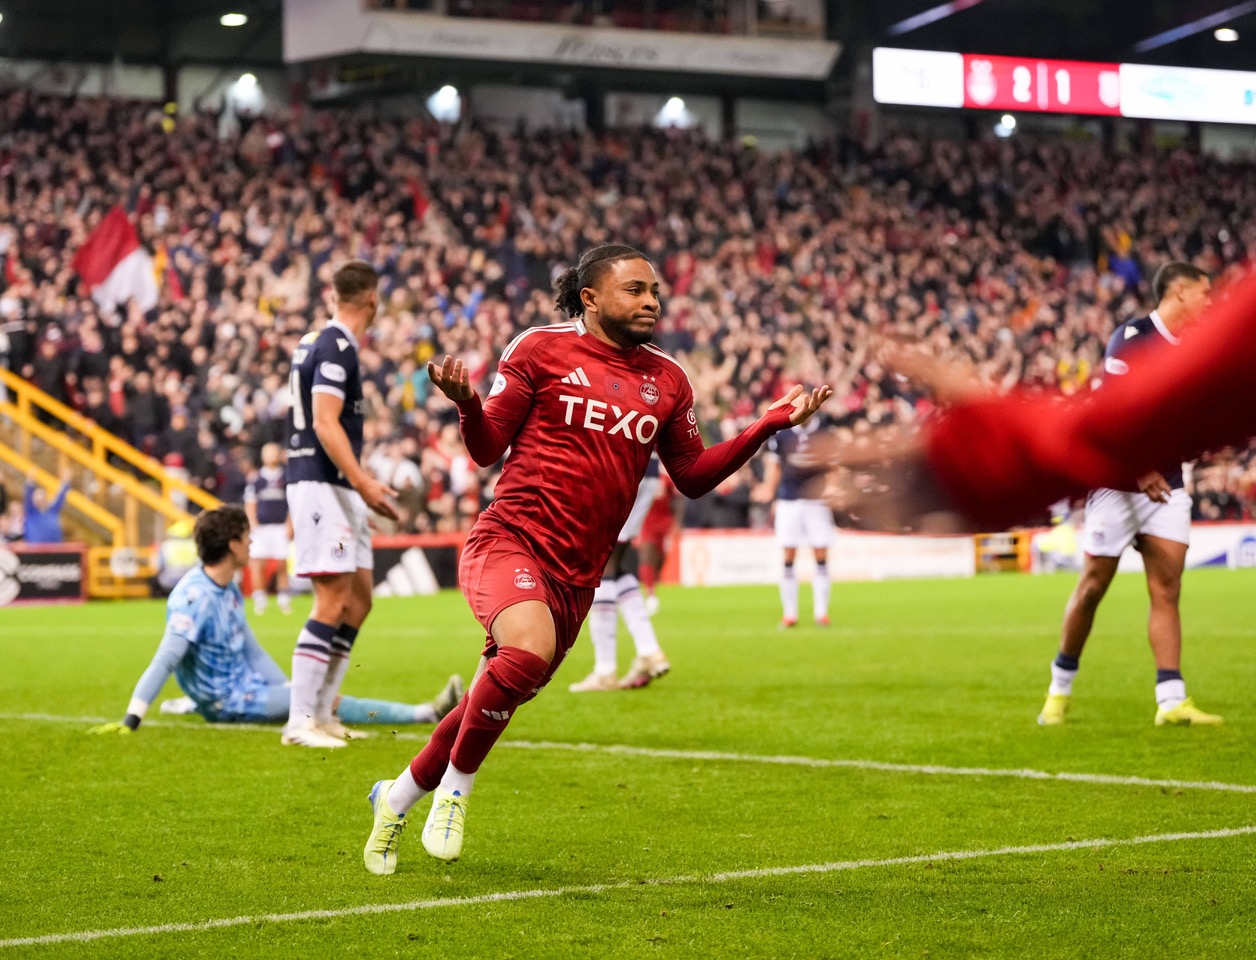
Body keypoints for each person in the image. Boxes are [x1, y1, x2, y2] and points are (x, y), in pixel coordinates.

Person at [361, 243, 831, 873]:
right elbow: (485, 447)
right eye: (635, 290)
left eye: (655, 291)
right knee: (524, 653)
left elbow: (691, 476)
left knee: (491, 696)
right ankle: (456, 790)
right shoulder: (538, 349)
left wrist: (767, 424)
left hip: (578, 574)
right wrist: (468, 404)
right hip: (512, 540)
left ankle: (393, 799)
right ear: (591, 297)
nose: (651, 302)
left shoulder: (668, 379)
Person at [87, 506, 462, 736]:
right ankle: (427, 713)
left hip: (243, 686)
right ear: (233, 544)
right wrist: (132, 717)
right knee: (324, 699)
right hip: (228, 701)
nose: (253, 544)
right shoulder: (193, 597)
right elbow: (166, 658)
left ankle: (425, 711)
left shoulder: (227, 586)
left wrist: (287, 686)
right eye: (247, 537)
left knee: (309, 693)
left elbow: (249, 646)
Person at [1039, 263, 1222, 727]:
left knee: (1167, 589)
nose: (1209, 302)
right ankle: (1059, 690)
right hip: (1119, 485)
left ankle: (1171, 700)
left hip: (1169, 485)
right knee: (1093, 587)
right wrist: (1140, 470)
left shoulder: (1198, 348)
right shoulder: (1132, 338)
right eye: (1204, 293)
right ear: (1179, 292)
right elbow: (1113, 414)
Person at [283, 260, 399, 749]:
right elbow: (325, 423)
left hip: (337, 485)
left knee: (359, 600)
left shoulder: (318, 341)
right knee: (332, 600)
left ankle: (324, 712)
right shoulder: (336, 347)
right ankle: (299, 721)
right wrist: (365, 482)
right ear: (372, 299)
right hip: (322, 482)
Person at [568, 458, 671, 692]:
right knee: (618, 560)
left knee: (602, 561)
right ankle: (649, 651)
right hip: (648, 471)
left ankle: (605, 670)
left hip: (617, 466)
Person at [760, 414, 836, 627]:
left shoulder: (824, 433)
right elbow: (774, 467)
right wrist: (769, 489)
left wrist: (832, 488)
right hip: (789, 501)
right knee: (788, 556)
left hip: (816, 501)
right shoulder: (782, 434)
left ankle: (821, 612)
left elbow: (833, 467)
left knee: (820, 555)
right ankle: (789, 613)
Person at [244, 442, 293, 615]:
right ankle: (260, 598)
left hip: (279, 527)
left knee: (282, 563)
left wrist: (289, 524)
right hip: (261, 528)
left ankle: (284, 598)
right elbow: (250, 503)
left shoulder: (287, 477)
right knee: (257, 563)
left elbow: (292, 504)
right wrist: (252, 524)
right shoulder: (256, 479)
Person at [636, 466, 680, 615]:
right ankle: (650, 594)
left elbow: (677, 500)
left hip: (664, 524)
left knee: (661, 559)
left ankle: (652, 586)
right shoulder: (639, 477)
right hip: (646, 523)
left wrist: (677, 524)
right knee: (647, 556)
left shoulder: (666, 479)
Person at [23, 468, 72, 544]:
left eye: (42, 498)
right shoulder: (31, 511)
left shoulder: (53, 510)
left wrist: (66, 481)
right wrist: (30, 480)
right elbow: (28, 494)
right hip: (34, 551)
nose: (40, 500)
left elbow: (61, 496)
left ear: (46, 499)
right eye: (37, 499)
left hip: (54, 549)